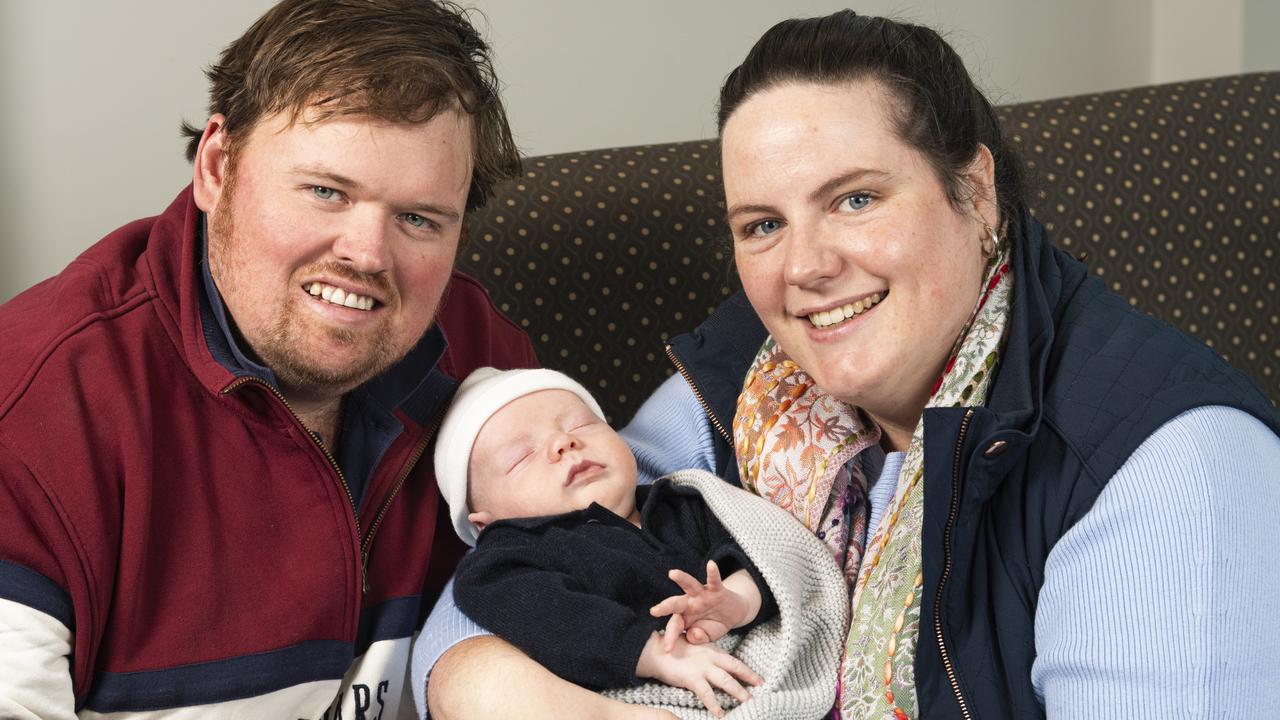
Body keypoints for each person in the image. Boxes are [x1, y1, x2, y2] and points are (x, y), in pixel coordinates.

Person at [419, 10, 1280, 720]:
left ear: (975, 194)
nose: (806, 268)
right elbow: (499, 585)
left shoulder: (1172, 472)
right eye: (762, 224)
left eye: (855, 199)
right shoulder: (758, 377)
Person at [0, 1, 539, 717]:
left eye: (418, 218)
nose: (367, 255)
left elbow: (589, 602)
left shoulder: (486, 358)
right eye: (325, 192)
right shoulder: (32, 409)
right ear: (218, 167)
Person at [435, 367, 776, 718]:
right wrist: (655, 653)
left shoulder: (684, 501)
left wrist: (738, 599)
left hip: (750, 666)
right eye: (521, 456)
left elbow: (764, 554)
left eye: (580, 425)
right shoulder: (506, 561)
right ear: (486, 523)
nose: (563, 443)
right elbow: (554, 618)